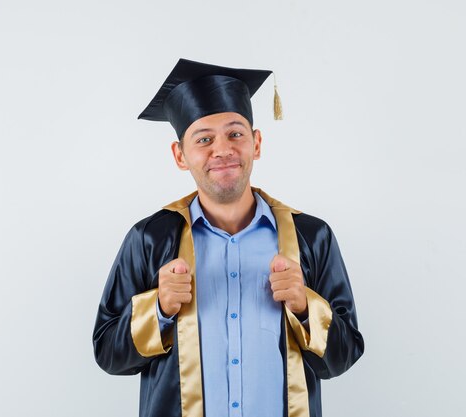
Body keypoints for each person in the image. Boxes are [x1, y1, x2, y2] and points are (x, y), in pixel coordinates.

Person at [93, 58, 364, 417]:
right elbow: (108, 354)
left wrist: (304, 306)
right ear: (180, 155)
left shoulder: (311, 237)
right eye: (203, 139)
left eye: (235, 134)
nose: (222, 150)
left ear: (257, 143)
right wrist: (157, 308)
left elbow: (343, 358)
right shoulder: (149, 239)